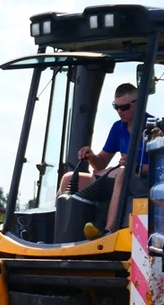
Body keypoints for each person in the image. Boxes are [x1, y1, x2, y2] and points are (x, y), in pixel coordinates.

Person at [58, 82, 153, 240]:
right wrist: (91, 156)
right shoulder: (118, 128)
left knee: (122, 174)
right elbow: (101, 163)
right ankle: (63, 233)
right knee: (68, 178)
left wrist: (134, 166)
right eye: (116, 107)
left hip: (143, 182)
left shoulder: (153, 128)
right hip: (119, 179)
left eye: (124, 107)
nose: (119, 112)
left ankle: (108, 232)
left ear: (139, 103)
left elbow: (162, 170)